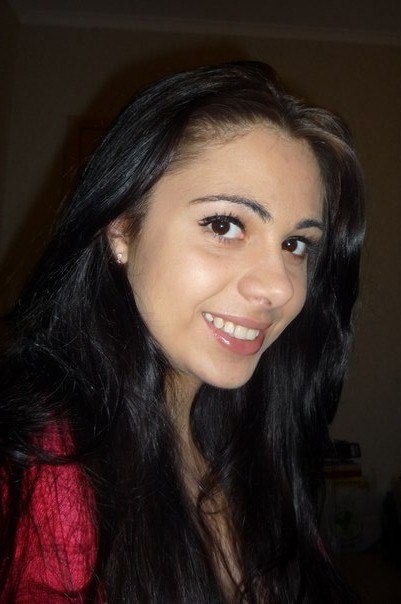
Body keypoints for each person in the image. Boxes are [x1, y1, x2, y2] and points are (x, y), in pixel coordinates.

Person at [0, 61, 365, 602]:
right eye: (224, 225)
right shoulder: (42, 467)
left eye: (296, 245)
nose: (280, 288)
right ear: (122, 229)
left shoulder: (254, 445)